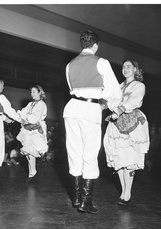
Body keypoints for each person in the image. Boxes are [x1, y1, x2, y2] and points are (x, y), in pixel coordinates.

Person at [63, 30, 122, 214]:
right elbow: (114, 92)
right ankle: (86, 201)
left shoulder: (69, 65)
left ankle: (77, 198)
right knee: (89, 154)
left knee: (74, 152)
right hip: (90, 110)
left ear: (82, 44)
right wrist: (110, 105)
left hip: (72, 108)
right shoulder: (101, 62)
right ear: (95, 45)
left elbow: (72, 89)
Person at [103, 60, 150, 206]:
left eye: (129, 66)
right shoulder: (119, 86)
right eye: (123, 67)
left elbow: (134, 101)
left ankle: (127, 192)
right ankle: (123, 191)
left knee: (129, 157)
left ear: (135, 69)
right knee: (118, 157)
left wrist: (119, 110)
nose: (125, 69)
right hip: (116, 123)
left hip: (131, 122)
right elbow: (109, 100)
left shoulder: (139, 85)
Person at [16, 85, 48, 183]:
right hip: (28, 129)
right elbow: (22, 113)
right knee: (28, 151)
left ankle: (33, 172)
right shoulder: (30, 103)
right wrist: (24, 117)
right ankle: (32, 172)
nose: (32, 94)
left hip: (37, 129)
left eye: (34, 91)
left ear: (39, 92)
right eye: (31, 92)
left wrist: (26, 117)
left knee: (32, 149)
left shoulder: (42, 104)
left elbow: (35, 118)